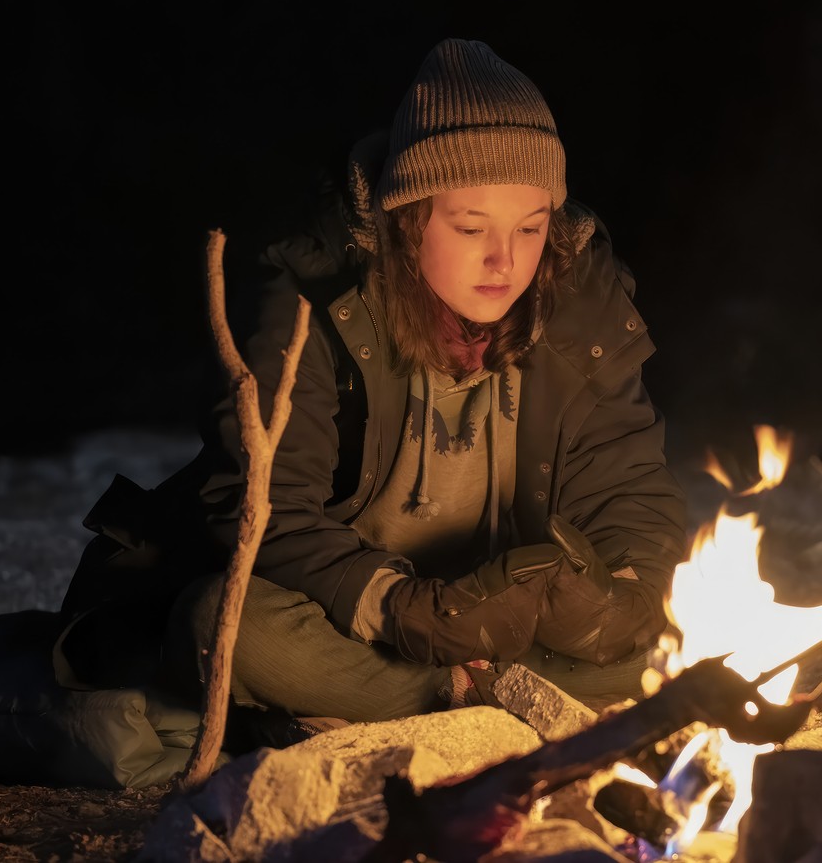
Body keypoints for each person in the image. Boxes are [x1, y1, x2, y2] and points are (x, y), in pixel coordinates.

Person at [53, 38, 688, 734]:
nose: (505, 259)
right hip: (350, 617)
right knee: (225, 626)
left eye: (531, 228)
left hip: (500, 623)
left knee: (673, 635)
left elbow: (629, 491)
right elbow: (263, 506)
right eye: (471, 226)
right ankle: (462, 702)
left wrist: (618, 598)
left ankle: (474, 694)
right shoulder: (313, 298)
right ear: (410, 218)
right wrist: (397, 608)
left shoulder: (575, 301)